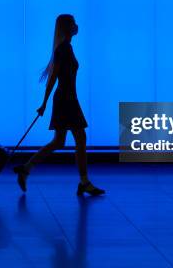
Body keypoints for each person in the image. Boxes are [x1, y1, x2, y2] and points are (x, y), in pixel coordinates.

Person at [13, 14, 105, 196]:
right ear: (66, 28)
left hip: (67, 98)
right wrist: (44, 103)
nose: (76, 26)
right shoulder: (63, 49)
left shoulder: (66, 48)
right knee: (79, 138)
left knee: (59, 141)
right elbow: (53, 78)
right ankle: (84, 182)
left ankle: (27, 168)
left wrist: (46, 102)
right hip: (66, 99)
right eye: (72, 23)